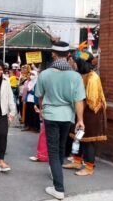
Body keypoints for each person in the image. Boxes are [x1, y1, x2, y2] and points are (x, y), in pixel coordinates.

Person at [35, 41, 85, 200]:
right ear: (68, 55)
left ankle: (59, 188)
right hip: (67, 117)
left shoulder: (44, 74)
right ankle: (55, 171)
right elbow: (79, 100)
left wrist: (42, 111)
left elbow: (40, 96)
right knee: (61, 147)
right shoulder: (75, 76)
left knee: (53, 151)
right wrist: (81, 120)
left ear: (53, 54)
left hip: (51, 115)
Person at [62, 52, 107, 176]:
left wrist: (78, 109)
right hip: (81, 111)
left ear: (81, 63)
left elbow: (91, 100)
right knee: (79, 138)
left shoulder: (93, 77)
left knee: (88, 141)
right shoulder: (81, 75)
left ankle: (89, 167)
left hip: (91, 113)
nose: (73, 64)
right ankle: (77, 161)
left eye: (75, 62)